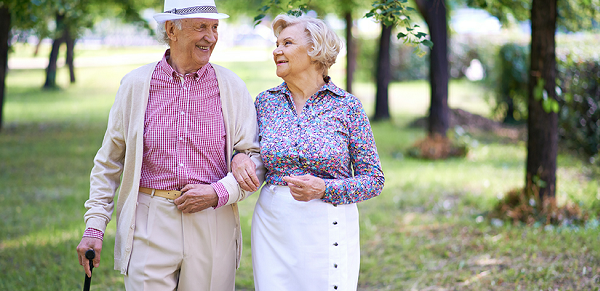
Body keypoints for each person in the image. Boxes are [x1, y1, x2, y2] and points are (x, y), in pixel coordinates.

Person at [75, 0, 264, 290]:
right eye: (200, 27)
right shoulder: (135, 85)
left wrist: (218, 192)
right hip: (150, 219)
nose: (210, 37)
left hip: (213, 219)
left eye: (214, 28)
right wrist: (95, 226)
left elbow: (256, 159)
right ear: (171, 30)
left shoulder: (232, 87)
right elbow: (109, 161)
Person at [232, 14, 385, 291]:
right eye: (276, 43)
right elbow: (246, 149)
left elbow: (374, 179)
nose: (277, 50)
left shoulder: (347, 107)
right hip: (273, 225)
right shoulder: (265, 102)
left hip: (328, 223)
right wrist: (238, 156)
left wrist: (324, 189)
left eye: (287, 43)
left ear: (315, 50)